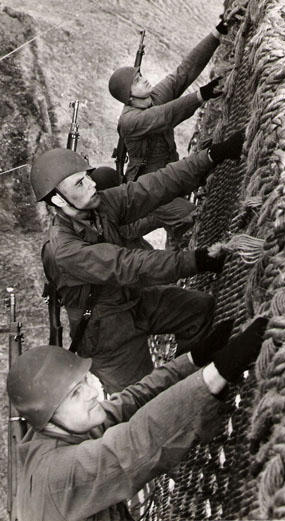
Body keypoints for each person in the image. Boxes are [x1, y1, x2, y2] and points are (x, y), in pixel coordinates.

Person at [32, 132, 244, 394]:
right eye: (79, 183)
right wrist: (196, 261)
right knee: (139, 401)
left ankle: (190, 385)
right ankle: (178, 400)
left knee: (199, 309)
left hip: (132, 301)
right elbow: (129, 265)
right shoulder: (63, 250)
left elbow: (153, 186)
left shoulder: (99, 207)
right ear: (57, 200)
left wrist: (213, 155)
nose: (91, 184)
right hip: (108, 336)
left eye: (88, 176)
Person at [7, 317, 267, 521]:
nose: (92, 392)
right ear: (49, 417)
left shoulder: (65, 428)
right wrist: (217, 372)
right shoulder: (56, 475)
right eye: (75, 394)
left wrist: (192, 360)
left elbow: (130, 401)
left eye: (84, 381)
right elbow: (132, 446)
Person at [108, 19, 229, 242]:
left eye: (140, 76)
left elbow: (182, 73)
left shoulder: (151, 98)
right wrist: (201, 95)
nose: (145, 81)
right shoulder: (130, 121)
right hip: (149, 191)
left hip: (170, 174)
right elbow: (165, 116)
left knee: (179, 228)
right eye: (137, 81)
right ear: (129, 97)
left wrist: (216, 34)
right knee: (192, 218)